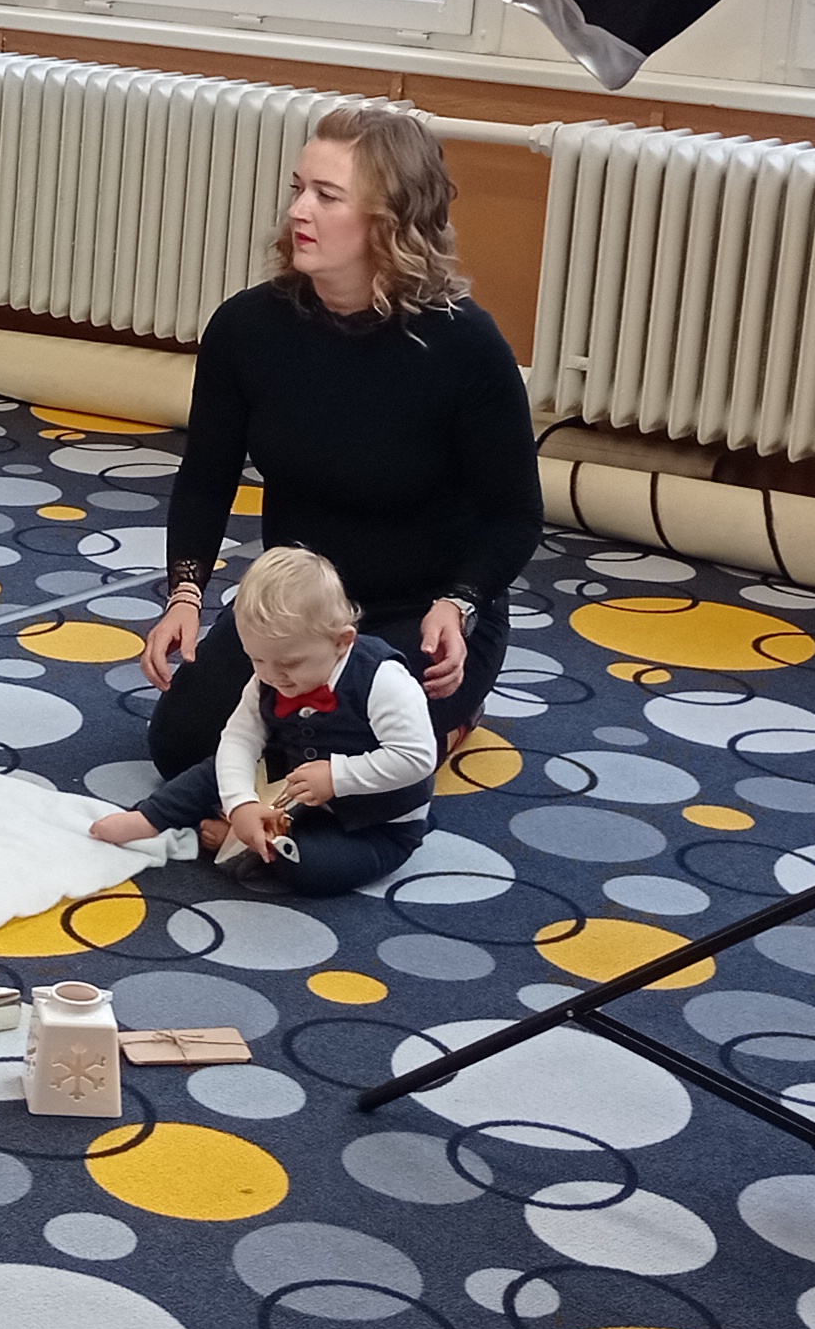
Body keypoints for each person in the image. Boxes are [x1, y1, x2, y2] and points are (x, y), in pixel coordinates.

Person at [98, 104, 538, 848]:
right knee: (181, 741)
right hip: (299, 608)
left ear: (391, 221)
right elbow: (205, 479)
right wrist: (184, 595)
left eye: (327, 196)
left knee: (355, 752)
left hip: (421, 612)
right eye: (298, 188)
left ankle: (456, 712)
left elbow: (515, 516)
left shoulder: (466, 345)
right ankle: (262, 806)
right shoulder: (247, 328)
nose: (299, 210)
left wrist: (459, 602)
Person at [92, 548, 436, 895]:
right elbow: (239, 739)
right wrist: (241, 803)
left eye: (289, 664)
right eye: (257, 660)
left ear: (341, 642)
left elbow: (417, 757)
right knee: (213, 768)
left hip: (377, 823)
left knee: (313, 869)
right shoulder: (269, 674)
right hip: (289, 792)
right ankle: (151, 818)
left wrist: (338, 776)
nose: (272, 676)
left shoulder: (382, 679)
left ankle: (251, 844)